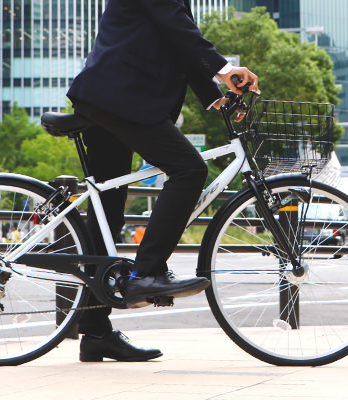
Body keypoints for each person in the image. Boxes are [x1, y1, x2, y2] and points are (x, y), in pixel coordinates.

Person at [65, 0, 258, 362]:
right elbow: (175, 25)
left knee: (107, 216)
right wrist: (226, 68)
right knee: (189, 171)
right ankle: (147, 273)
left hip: (113, 98)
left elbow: (176, 42)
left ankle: (95, 333)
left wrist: (217, 97)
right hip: (121, 98)